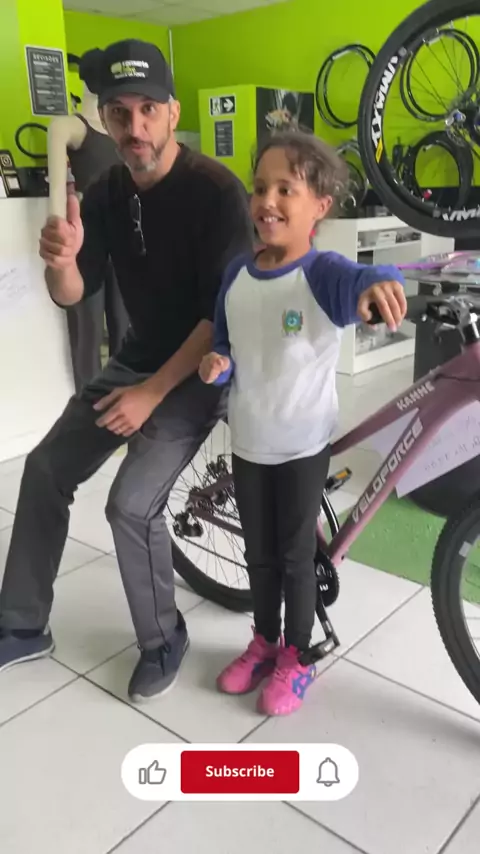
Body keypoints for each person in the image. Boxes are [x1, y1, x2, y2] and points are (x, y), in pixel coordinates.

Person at [0, 39, 252, 702]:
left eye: (147, 110)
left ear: (172, 113)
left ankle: (164, 639)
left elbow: (220, 317)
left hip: (202, 368)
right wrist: (62, 262)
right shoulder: (109, 190)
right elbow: (71, 293)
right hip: (139, 358)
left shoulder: (216, 193)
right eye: (119, 113)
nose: (134, 127)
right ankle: (22, 625)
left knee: (131, 505)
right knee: (45, 467)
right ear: (105, 120)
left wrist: (150, 394)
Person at [199, 130, 407, 717]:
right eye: (259, 187)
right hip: (249, 441)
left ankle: (298, 652)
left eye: (285, 189)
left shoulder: (323, 273)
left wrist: (381, 285)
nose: (267, 201)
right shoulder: (236, 275)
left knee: (294, 558)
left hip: (301, 446)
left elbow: (362, 282)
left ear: (320, 205)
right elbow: (225, 341)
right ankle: (264, 640)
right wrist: (217, 364)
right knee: (259, 556)